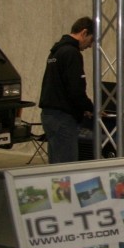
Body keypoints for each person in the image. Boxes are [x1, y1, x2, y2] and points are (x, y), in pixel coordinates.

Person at [39, 17, 95, 163]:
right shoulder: (72, 53)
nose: (90, 46)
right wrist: (90, 108)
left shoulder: (55, 51)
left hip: (49, 115)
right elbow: (76, 89)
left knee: (56, 164)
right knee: (67, 165)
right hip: (63, 118)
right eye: (91, 40)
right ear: (84, 33)